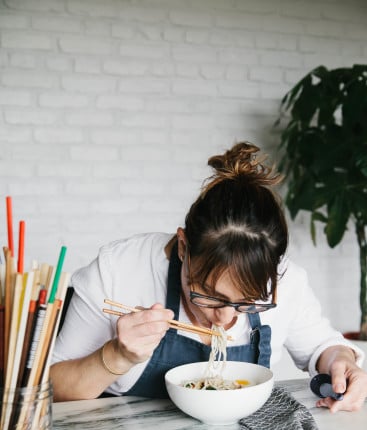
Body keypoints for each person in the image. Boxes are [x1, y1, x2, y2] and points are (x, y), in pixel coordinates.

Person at [51, 142, 367, 412]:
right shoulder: (120, 270)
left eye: (248, 302)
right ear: (183, 247)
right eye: (208, 294)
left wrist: (342, 363)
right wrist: (117, 355)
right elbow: (52, 386)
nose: (225, 318)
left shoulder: (288, 282)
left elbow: (322, 349)